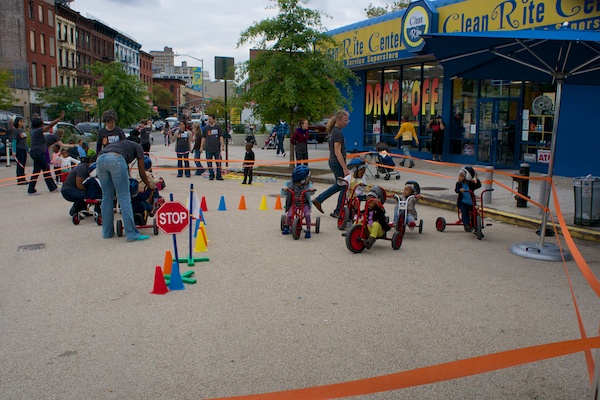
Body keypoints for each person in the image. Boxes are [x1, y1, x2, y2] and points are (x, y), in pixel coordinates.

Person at [96, 139, 156, 242]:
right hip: (116, 159)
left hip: (100, 159)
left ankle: (107, 232)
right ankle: (131, 234)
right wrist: (149, 185)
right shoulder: (139, 148)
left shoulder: (122, 144)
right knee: (124, 197)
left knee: (107, 197)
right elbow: (142, 172)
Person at [311, 110, 350, 218]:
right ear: (338, 120)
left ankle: (321, 200)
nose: (347, 122)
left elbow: (331, 148)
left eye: (348, 120)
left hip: (333, 161)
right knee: (343, 185)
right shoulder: (337, 132)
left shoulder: (333, 131)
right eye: (345, 120)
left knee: (340, 184)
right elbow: (337, 151)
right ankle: (337, 210)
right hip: (336, 162)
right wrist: (345, 168)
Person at [27, 111, 64, 195]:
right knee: (37, 171)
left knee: (46, 170)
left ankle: (53, 188)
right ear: (39, 125)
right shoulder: (38, 131)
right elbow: (50, 125)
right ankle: (31, 189)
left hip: (38, 152)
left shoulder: (33, 130)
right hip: (38, 153)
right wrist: (59, 118)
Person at [281, 165, 316, 238]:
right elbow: (283, 193)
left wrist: (311, 190)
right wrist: (284, 189)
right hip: (294, 204)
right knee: (289, 215)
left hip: (304, 204)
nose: (308, 179)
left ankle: (308, 229)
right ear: (302, 179)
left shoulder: (308, 185)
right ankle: (288, 226)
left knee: (307, 214)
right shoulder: (290, 183)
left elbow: (311, 192)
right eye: (307, 178)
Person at [455, 166, 482, 232]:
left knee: (475, 213)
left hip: (471, 203)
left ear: (467, 177)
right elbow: (456, 190)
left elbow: (478, 185)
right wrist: (460, 190)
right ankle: (466, 225)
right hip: (463, 202)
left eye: (461, 176)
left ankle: (475, 226)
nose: (459, 177)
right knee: (465, 212)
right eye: (459, 175)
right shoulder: (459, 184)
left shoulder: (471, 184)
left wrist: (477, 178)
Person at [201, 114, 224, 181]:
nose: (209, 120)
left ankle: (219, 175)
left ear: (214, 119)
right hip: (208, 148)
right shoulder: (206, 128)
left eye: (210, 119)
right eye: (209, 119)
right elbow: (203, 137)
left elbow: (221, 136)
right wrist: (201, 147)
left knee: (218, 162)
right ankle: (211, 175)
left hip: (216, 148)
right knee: (209, 163)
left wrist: (222, 145)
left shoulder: (218, 128)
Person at [12, 116, 28, 185]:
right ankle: (20, 179)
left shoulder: (22, 130)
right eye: (20, 121)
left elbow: (25, 141)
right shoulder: (15, 131)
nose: (22, 123)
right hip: (19, 149)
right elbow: (14, 141)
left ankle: (23, 178)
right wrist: (14, 151)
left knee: (23, 163)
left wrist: (27, 149)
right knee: (20, 164)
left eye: (22, 121)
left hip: (24, 148)